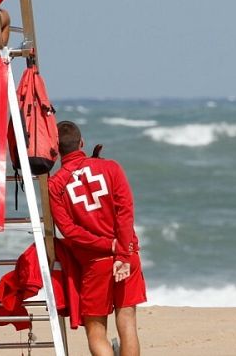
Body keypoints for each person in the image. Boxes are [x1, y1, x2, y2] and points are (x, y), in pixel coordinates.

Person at [47, 120, 145, 356]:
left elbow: (69, 231)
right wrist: (121, 250)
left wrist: (106, 246)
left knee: (96, 329)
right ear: (82, 143)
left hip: (95, 264)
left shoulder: (54, 185)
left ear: (57, 150)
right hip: (127, 255)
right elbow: (125, 210)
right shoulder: (111, 167)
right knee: (128, 322)